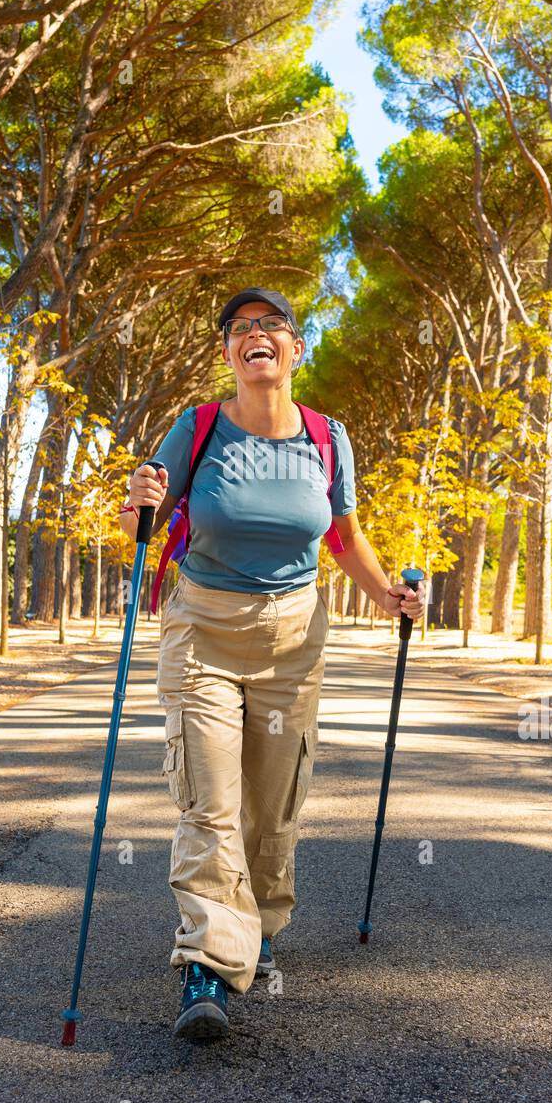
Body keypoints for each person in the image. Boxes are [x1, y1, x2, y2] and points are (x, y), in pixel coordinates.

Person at [120, 286, 422, 1040]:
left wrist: (391, 597)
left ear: (295, 348)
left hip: (295, 638)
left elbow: (344, 537)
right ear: (227, 354)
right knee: (209, 799)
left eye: (272, 326)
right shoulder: (194, 430)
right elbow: (140, 520)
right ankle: (208, 965)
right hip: (205, 631)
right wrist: (138, 501)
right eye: (240, 329)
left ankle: (252, 923)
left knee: (272, 806)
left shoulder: (327, 437)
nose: (256, 335)